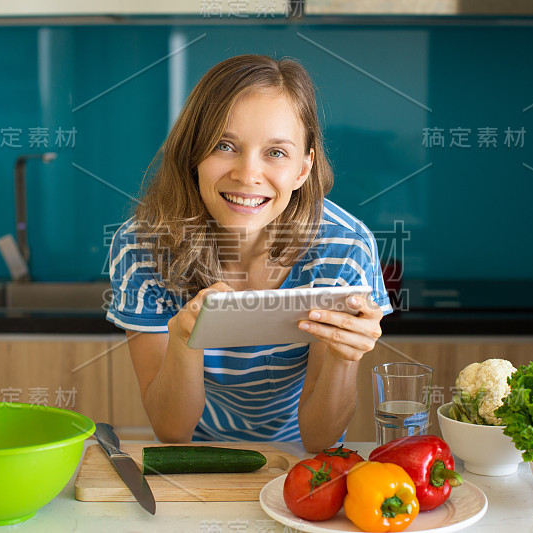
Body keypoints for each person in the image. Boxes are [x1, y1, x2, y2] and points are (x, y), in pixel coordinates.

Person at [107, 54, 392, 453]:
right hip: (200, 456)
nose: (247, 174)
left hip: (302, 459)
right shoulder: (142, 247)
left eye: (276, 152)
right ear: (193, 154)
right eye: (225, 146)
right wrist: (186, 338)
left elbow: (320, 438)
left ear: (303, 169)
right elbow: (172, 432)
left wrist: (346, 356)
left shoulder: (343, 248)